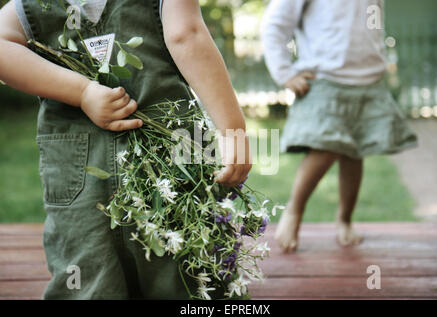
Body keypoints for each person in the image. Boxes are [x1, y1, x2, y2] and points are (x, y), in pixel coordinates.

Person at [0, 0, 251, 299]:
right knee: (189, 283)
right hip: (167, 165)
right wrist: (232, 129)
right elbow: (186, 35)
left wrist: (82, 92)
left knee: (88, 285)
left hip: (88, 185)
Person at [261, 0, 417, 253]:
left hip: (368, 80)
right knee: (327, 146)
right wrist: (284, 72)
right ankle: (294, 210)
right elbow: (274, 24)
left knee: (354, 152)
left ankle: (344, 219)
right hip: (326, 79)